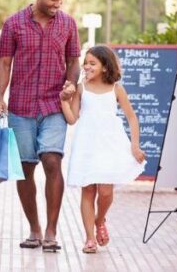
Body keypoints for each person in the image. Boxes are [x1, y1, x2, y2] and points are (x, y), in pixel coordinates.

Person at [0, 0, 81, 252]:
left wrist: (71, 84)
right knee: (26, 168)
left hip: (55, 105)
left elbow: (73, 60)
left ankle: (52, 232)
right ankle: (35, 228)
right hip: (22, 106)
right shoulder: (13, 24)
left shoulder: (68, 24)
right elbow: (4, 63)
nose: (58, 4)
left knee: (52, 161)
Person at [60, 45, 147, 254]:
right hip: (86, 143)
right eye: (86, 63)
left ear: (105, 67)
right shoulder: (81, 88)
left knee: (106, 191)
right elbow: (72, 119)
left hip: (110, 143)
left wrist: (135, 145)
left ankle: (100, 220)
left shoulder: (116, 88)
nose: (87, 67)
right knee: (88, 190)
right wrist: (64, 100)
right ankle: (90, 238)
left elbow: (132, 117)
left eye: (92, 63)